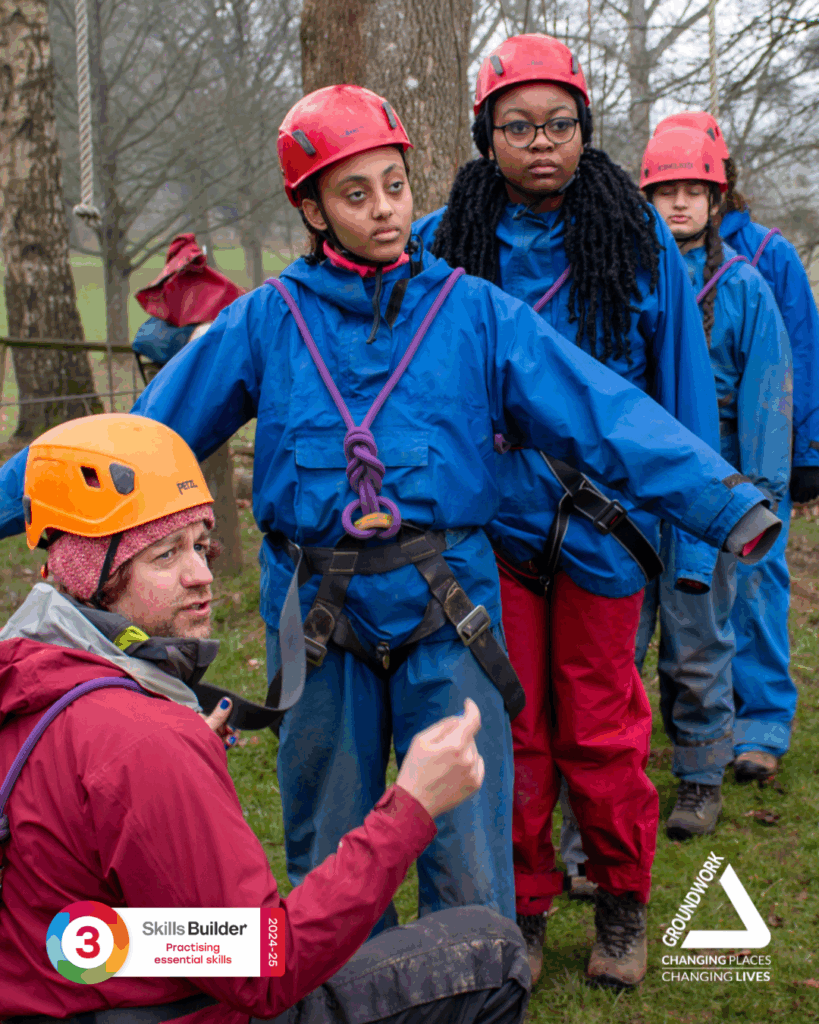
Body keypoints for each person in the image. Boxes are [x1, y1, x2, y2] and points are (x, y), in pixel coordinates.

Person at [0, 83, 779, 954]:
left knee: (467, 841)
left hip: (449, 608)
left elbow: (602, 412)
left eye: (395, 186)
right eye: (355, 193)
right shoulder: (267, 321)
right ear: (313, 210)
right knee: (330, 844)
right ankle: (347, 993)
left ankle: (475, 982)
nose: (383, 209)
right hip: (316, 615)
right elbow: (133, 442)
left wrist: (723, 503)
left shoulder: (474, 314)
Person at [0, 413, 531, 1024]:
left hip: (67, 980)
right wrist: (410, 806)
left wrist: (163, 783)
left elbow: (68, 926)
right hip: (191, 1009)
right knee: (492, 953)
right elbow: (263, 966)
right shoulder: (143, 746)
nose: (202, 575)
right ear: (91, 575)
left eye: (201, 545)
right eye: (165, 555)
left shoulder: (30, 685)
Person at [412, 34, 741, 987]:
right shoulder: (443, 242)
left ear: (585, 130)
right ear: (485, 135)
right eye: (517, 127)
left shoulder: (635, 241)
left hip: (608, 533)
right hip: (490, 535)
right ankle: (520, 907)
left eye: (558, 124)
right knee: (509, 726)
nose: (540, 143)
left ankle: (621, 903)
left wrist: (693, 549)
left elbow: (682, 399)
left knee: (602, 727)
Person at [636, 127, 792, 837]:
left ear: (715, 198)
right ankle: (613, 769)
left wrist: (755, 499)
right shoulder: (627, 281)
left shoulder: (745, 289)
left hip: (712, 492)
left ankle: (700, 773)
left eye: (691, 191)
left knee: (699, 636)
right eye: (665, 191)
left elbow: (766, 399)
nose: (678, 204)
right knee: (618, 640)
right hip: (631, 492)